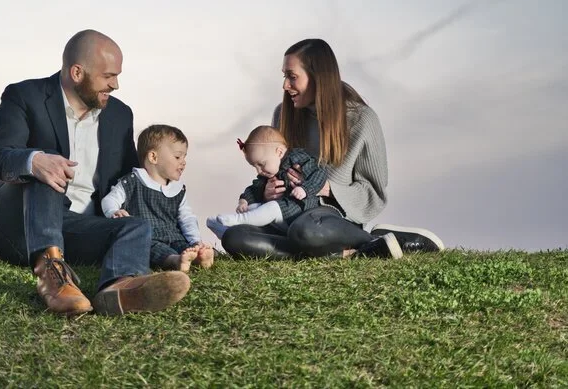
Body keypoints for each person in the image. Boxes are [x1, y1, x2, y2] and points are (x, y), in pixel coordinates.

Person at [0, 29, 191, 317]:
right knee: (48, 169)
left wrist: (177, 250)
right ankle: (52, 276)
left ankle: (120, 287)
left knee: (134, 226)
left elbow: (130, 182)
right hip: (15, 222)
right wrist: (35, 160)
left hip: (79, 226)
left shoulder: (120, 114)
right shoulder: (24, 96)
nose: (116, 85)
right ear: (77, 72)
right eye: (109, 76)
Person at [219, 38, 445, 260]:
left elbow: (373, 192)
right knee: (234, 237)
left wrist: (327, 188)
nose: (285, 85)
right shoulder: (282, 114)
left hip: (328, 220)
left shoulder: (362, 119)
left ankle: (366, 238)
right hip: (286, 213)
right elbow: (271, 171)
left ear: (318, 78)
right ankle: (358, 250)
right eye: (284, 76)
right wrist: (268, 192)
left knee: (305, 231)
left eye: (292, 77)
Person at [101, 124, 214, 272]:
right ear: (153, 157)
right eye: (178, 156)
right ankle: (176, 261)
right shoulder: (132, 182)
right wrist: (114, 211)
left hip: (174, 237)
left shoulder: (177, 189)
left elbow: (187, 218)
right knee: (152, 250)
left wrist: (195, 241)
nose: (183, 162)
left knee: (185, 247)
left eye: (185, 157)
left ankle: (200, 257)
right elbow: (109, 200)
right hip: (148, 238)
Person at [207, 125, 329, 232]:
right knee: (252, 208)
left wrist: (305, 189)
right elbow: (255, 187)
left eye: (261, 164)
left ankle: (239, 221)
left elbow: (319, 172)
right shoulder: (270, 171)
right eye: (254, 166)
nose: (259, 171)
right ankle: (228, 231)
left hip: (299, 209)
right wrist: (244, 201)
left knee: (270, 208)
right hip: (282, 215)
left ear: (279, 152)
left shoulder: (296, 158)